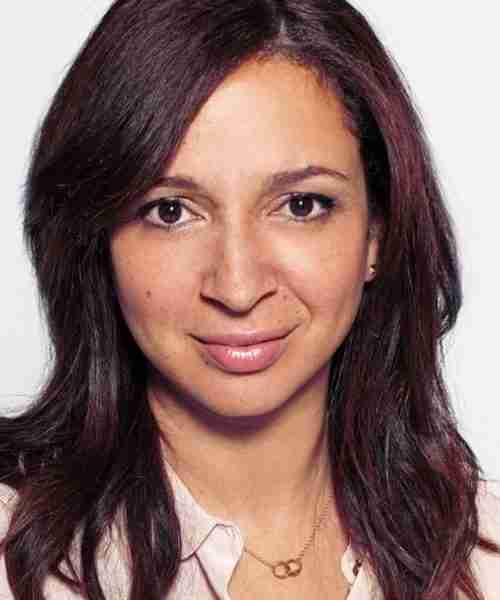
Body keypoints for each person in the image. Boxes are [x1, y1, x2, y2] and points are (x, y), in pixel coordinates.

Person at [1, 0, 499, 598]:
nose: (237, 288)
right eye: (170, 211)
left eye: (301, 205)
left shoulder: (483, 556)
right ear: (97, 238)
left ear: (376, 234)